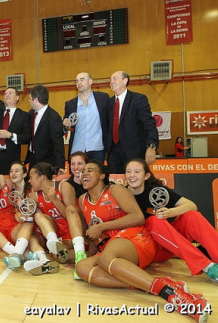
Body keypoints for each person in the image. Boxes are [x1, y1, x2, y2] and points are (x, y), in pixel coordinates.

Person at [75, 160, 209, 322]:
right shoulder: (83, 199)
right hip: (110, 246)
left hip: (134, 236)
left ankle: (174, 295)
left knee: (106, 259)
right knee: (83, 268)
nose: (84, 174)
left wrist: (103, 227)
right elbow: (92, 232)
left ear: (102, 175)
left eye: (90, 170)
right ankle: (158, 284)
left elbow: (138, 217)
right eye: (83, 172)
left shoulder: (115, 189)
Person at [125, 158, 218, 282]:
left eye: (137, 172)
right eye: (128, 171)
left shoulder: (156, 190)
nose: (132, 175)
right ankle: (207, 267)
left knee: (192, 216)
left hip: (169, 244)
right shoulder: (122, 194)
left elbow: (191, 205)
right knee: (154, 221)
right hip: (147, 248)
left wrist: (170, 212)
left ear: (146, 176)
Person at [107, 71, 159, 174]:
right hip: (113, 154)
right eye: (111, 80)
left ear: (125, 80)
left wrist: (152, 145)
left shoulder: (138, 99)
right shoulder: (109, 103)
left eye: (115, 78)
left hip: (134, 152)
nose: (111, 82)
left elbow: (149, 123)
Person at [63, 72, 109, 162]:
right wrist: (66, 126)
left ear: (91, 81)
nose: (79, 83)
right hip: (77, 149)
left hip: (97, 148)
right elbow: (66, 126)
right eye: (76, 81)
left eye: (82, 80)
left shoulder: (103, 99)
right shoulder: (70, 104)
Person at [25, 85, 65, 172]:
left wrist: (60, 165)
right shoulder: (31, 113)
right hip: (32, 158)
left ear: (35, 100)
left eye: (30, 98)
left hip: (47, 161)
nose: (29, 101)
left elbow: (58, 143)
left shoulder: (53, 117)